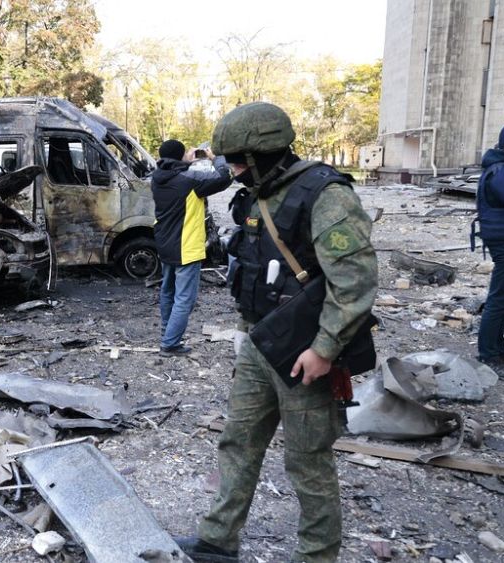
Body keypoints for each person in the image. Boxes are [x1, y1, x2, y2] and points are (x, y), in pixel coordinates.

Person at [176, 102, 378, 563]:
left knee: (308, 461)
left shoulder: (325, 194)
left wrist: (325, 348)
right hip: (259, 341)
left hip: (305, 351)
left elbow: (355, 281)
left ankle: (317, 556)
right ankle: (217, 541)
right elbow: (252, 266)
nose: (232, 170)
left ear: (263, 154)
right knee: (238, 440)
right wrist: (245, 332)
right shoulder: (256, 193)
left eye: (238, 161)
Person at [151, 139, 233, 356]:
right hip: (186, 246)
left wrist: (187, 161)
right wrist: (216, 158)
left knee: (168, 292)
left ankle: (166, 333)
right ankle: (170, 344)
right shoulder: (189, 180)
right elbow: (224, 177)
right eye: (186, 152)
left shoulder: (157, 177)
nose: (190, 153)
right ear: (179, 156)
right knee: (185, 298)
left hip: (165, 243)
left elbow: (179, 173)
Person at [475, 125, 504, 368]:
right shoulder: (499, 171)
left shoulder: (499, 167)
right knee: (499, 298)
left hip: (500, 237)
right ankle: (488, 353)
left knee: (503, 297)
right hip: (503, 240)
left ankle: (496, 346)